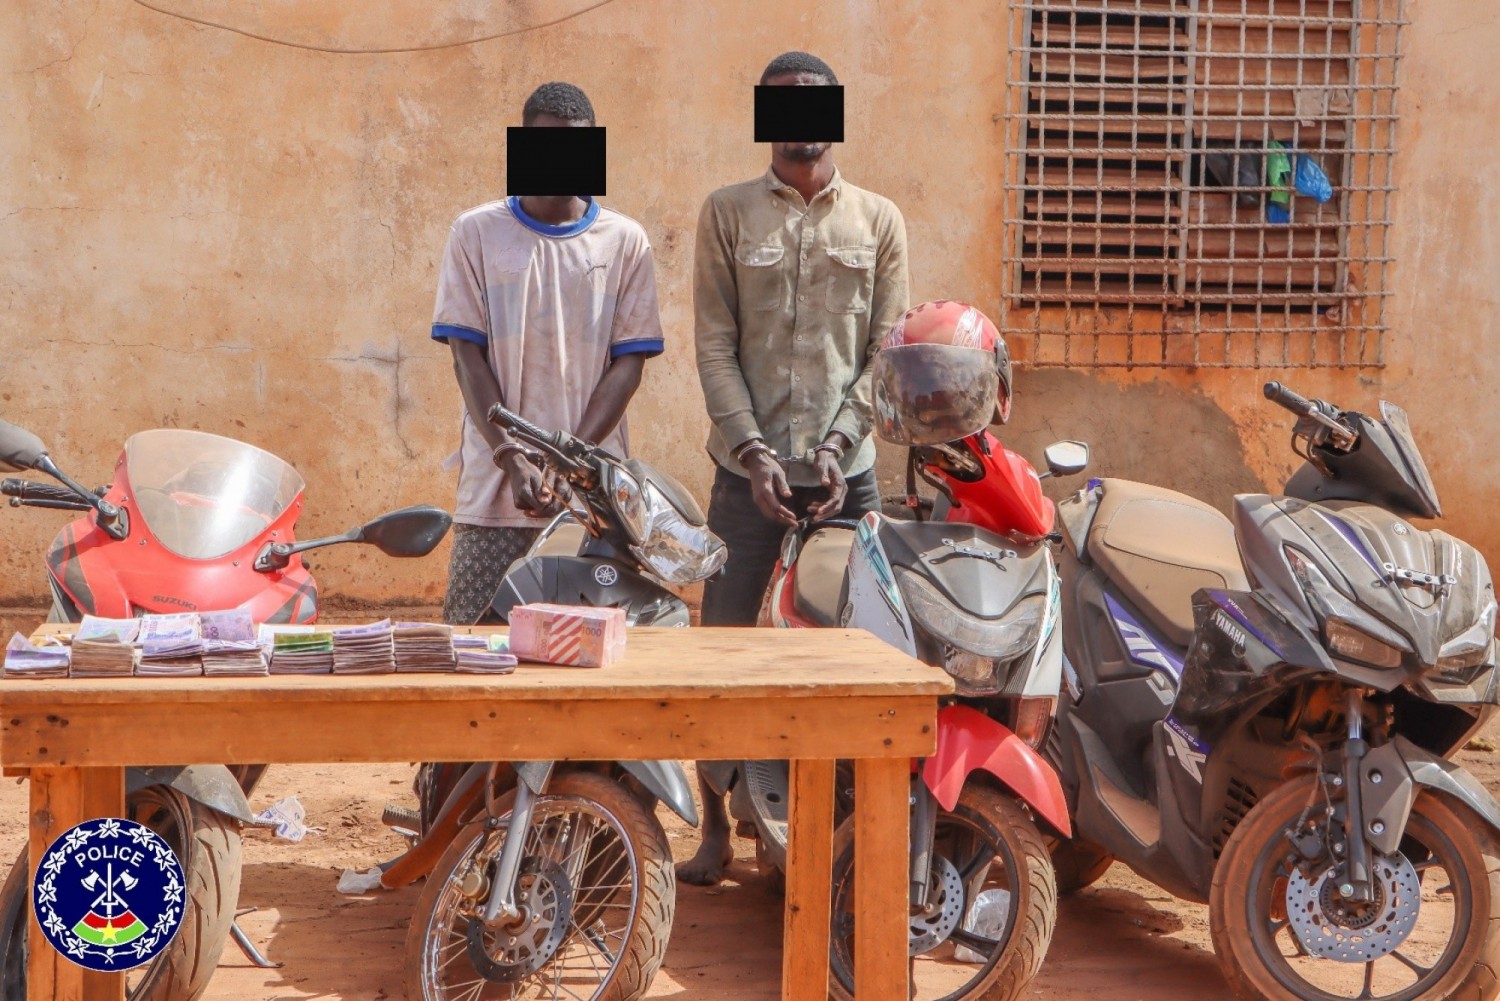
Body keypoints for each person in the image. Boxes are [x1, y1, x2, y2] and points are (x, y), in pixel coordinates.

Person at [681, 51, 910, 885]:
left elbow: (885, 349)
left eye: (814, 103)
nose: (799, 118)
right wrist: (751, 453)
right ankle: (717, 825)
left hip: (848, 480)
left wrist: (836, 448)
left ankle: (841, 824)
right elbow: (713, 345)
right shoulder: (728, 213)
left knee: (854, 654)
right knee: (723, 651)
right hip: (747, 477)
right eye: (781, 104)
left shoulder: (879, 221)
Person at [431, 82, 666, 626]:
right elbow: (467, 357)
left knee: (589, 647)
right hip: (493, 491)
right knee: (475, 636)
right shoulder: (476, 233)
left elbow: (627, 364)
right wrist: (510, 456)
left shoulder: (624, 241)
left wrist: (572, 460)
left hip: (594, 497)